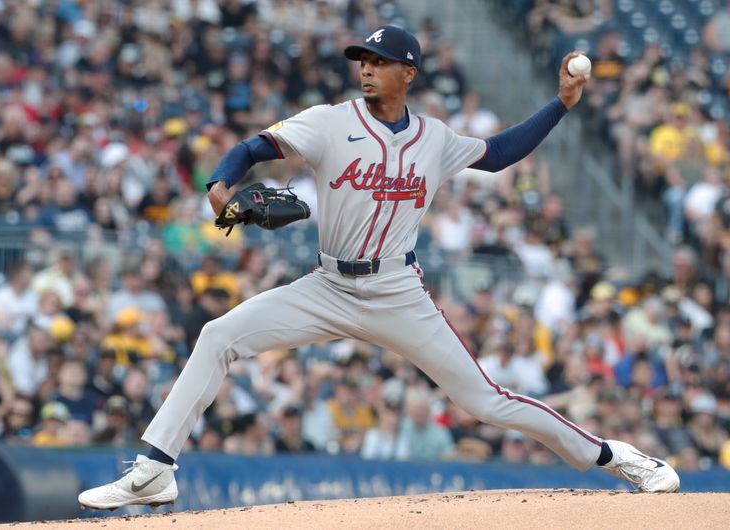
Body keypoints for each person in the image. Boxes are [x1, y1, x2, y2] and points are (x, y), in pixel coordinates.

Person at [79, 25, 679, 510]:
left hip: (397, 289)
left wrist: (560, 106)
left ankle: (613, 457)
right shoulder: (330, 120)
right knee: (218, 336)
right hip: (328, 284)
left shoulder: (433, 137)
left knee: (487, 401)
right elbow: (255, 147)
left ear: (407, 73)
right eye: (362, 58)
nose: (365, 67)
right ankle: (156, 470)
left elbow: (498, 155)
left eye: (378, 59)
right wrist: (219, 184)